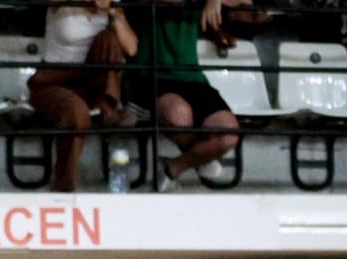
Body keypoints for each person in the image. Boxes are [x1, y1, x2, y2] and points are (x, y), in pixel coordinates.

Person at [127, 0, 242, 192]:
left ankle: (173, 168)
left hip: (192, 76)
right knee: (179, 115)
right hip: (151, 75)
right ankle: (202, 160)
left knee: (228, 135)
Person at [26, 0, 139, 192]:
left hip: (91, 85)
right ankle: (64, 186)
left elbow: (131, 48)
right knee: (76, 111)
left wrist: (115, 15)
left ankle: (110, 109)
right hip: (51, 82)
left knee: (109, 39)